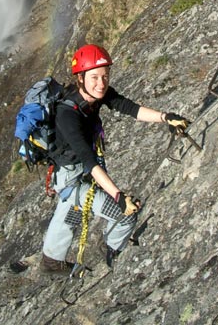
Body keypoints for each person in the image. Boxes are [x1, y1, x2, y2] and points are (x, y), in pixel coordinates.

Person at [41, 43, 190, 274]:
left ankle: (51, 262)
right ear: (80, 78)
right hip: (72, 176)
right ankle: (111, 250)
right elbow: (88, 159)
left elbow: (129, 108)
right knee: (124, 215)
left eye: (105, 76)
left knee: (71, 210)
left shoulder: (96, 95)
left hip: (76, 172)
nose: (101, 83)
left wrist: (165, 117)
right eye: (94, 77)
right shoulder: (67, 115)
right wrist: (119, 197)